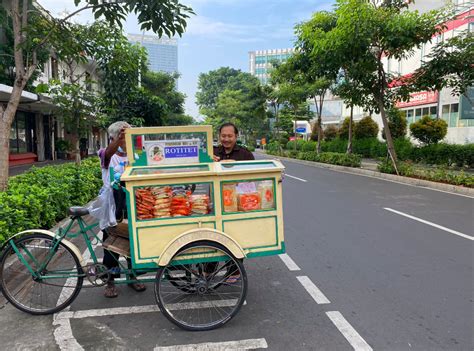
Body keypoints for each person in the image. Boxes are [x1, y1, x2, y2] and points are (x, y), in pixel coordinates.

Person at [98, 121, 146, 298]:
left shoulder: (135, 155)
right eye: (124, 137)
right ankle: (110, 280)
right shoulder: (106, 153)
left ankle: (133, 276)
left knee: (133, 242)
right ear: (114, 137)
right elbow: (108, 153)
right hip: (112, 205)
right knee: (111, 244)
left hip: (132, 203)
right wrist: (119, 139)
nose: (127, 141)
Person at [211, 122, 254, 282]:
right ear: (219, 136)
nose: (226, 139)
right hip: (215, 201)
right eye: (223, 136)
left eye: (230, 136)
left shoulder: (245, 154)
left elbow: (253, 178)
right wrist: (211, 161)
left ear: (236, 136)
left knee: (235, 235)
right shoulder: (212, 152)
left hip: (237, 203)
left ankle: (234, 270)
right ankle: (209, 270)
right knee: (212, 235)